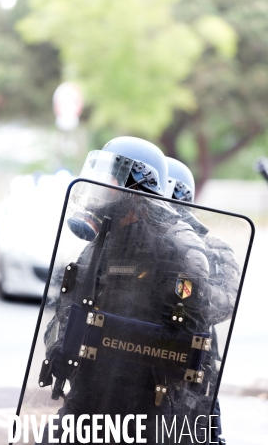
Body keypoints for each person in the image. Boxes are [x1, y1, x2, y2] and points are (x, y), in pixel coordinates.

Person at [35, 137, 233, 443]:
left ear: (137, 184)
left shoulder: (177, 242)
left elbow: (204, 316)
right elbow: (72, 304)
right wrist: (58, 347)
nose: (100, 189)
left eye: (109, 180)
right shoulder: (106, 239)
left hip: (153, 399)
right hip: (97, 385)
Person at [165, 157, 236, 445]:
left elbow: (222, 304)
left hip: (190, 366)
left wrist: (190, 280)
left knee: (202, 431)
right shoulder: (127, 241)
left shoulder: (211, 248)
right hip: (129, 360)